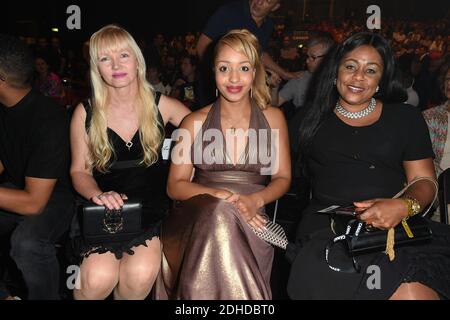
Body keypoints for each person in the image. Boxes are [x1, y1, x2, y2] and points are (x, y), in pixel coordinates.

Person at [287, 32, 450, 300]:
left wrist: (404, 206)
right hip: (326, 232)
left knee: (413, 294)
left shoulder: (405, 118)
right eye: (350, 66)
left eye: (370, 70)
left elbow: (424, 182)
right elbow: (272, 168)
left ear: (381, 80)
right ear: (336, 71)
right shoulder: (308, 119)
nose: (358, 76)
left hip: (394, 230)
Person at [154, 29, 291, 299]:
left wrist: (255, 201)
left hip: (252, 216)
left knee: (225, 217)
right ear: (213, 74)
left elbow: (283, 178)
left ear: (254, 73)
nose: (233, 78)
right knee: (219, 214)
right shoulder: (192, 123)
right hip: (197, 217)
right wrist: (218, 196)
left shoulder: (274, 118)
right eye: (224, 68)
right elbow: (174, 186)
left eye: (243, 68)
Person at [70, 25, 190, 300]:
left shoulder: (162, 105)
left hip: (151, 209)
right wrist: (98, 194)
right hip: (105, 207)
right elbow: (79, 170)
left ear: (137, 59)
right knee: (97, 279)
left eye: (123, 55)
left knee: (140, 274)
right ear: (96, 67)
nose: (115, 65)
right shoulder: (84, 113)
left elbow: (206, 131)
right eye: (104, 58)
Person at [0, 34, 74, 300]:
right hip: (20, 188)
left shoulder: (48, 120)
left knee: (27, 243)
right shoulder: (4, 110)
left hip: (58, 197)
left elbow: (34, 203)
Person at [196, 0, 300, 106]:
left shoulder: (268, 24)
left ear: (275, 7)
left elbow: (260, 53)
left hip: (243, 88)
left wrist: (284, 74)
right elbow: (202, 46)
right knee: (207, 120)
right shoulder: (229, 12)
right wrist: (217, 76)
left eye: (267, 1)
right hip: (214, 87)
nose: (259, 2)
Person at [270, 32, 335, 108]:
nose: (307, 61)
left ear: (328, 58)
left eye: (313, 57)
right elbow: (275, 103)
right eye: (307, 56)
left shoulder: (338, 81)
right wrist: (274, 87)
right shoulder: (300, 78)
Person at [423, 60, 450, 177]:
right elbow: (425, 163)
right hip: (441, 186)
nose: (449, 83)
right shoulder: (431, 117)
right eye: (448, 79)